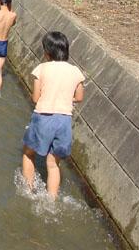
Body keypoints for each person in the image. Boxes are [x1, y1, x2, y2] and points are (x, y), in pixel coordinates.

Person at [22, 31, 85, 198]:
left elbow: (36, 98)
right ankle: (52, 200)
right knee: (53, 163)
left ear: (47, 52)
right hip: (64, 120)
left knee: (28, 153)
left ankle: (28, 190)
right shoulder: (75, 71)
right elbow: (79, 97)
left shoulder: (41, 68)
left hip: (44, 116)